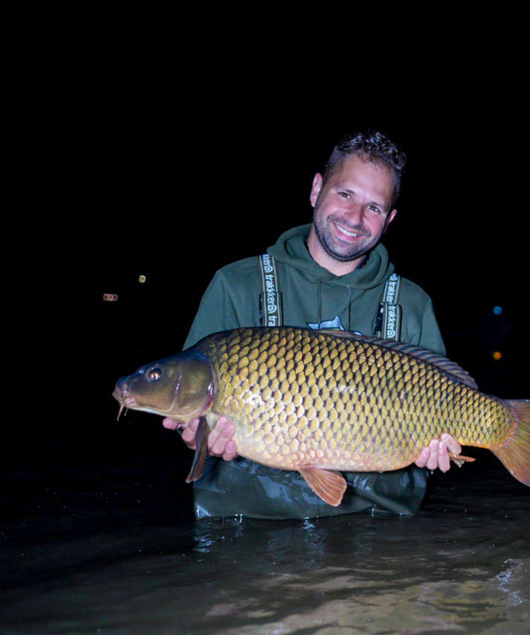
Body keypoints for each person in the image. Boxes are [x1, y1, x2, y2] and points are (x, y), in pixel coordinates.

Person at [164, 130, 461, 520]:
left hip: (381, 528)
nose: (355, 218)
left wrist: (437, 451)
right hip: (247, 523)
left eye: (374, 207)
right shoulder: (236, 284)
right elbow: (192, 417)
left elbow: (445, 411)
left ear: (389, 220)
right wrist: (196, 437)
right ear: (316, 189)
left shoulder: (412, 303)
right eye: (345, 194)